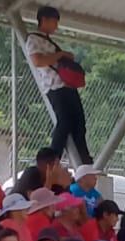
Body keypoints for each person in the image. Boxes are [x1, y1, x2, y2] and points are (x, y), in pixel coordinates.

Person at [26, 6, 92, 164]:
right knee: (65, 121)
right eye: (54, 21)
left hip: (67, 86)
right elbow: (38, 61)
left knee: (79, 123)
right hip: (55, 86)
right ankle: (53, 158)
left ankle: (84, 158)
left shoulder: (48, 41)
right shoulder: (34, 39)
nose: (56, 26)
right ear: (44, 20)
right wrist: (60, 55)